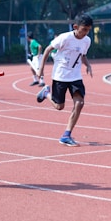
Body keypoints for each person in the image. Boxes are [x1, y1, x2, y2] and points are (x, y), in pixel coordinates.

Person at [36, 13, 94, 147]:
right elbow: (47, 50)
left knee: (79, 103)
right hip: (60, 76)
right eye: (84, 29)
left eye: (88, 30)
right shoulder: (64, 38)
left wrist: (88, 65)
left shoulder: (87, 41)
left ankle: (66, 135)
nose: (86, 33)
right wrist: (40, 69)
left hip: (75, 77)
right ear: (75, 27)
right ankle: (46, 93)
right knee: (59, 106)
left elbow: (83, 55)